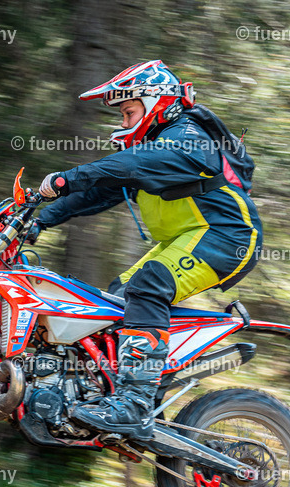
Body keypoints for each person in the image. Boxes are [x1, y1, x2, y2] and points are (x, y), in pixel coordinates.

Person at [32, 59, 262, 440]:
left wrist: (67, 178)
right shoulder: (150, 150)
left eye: (129, 112)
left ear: (155, 103)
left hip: (227, 236)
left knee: (148, 285)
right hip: (189, 237)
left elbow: (130, 166)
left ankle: (134, 405)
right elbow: (97, 192)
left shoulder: (186, 137)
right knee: (117, 298)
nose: (124, 122)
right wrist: (39, 219)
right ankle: (119, 392)